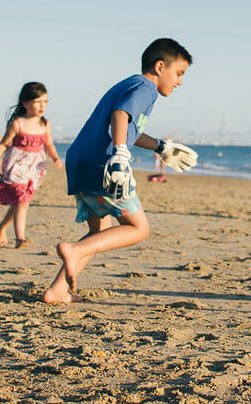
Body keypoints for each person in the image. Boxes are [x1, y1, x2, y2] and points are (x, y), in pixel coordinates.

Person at [42, 38, 198, 303]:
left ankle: (57, 290)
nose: (180, 81)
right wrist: (120, 153)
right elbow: (120, 115)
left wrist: (161, 147)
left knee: (99, 233)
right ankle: (72, 250)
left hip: (80, 160)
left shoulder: (128, 84)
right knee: (138, 229)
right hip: (104, 164)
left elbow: (128, 128)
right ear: (160, 66)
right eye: (179, 73)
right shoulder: (145, 87)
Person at [0, 82, 63, 248]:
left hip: (35, 167)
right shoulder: (18, 123)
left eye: (45, 102)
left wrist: (55, 158)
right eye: (38, 102)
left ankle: (2, 226)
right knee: (22, 201)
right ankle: (20, 237)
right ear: (26, 103)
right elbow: (3, 144)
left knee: (20, 201)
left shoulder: (44, 124)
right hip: (17, 165)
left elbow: (48, 144)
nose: (42, 106)